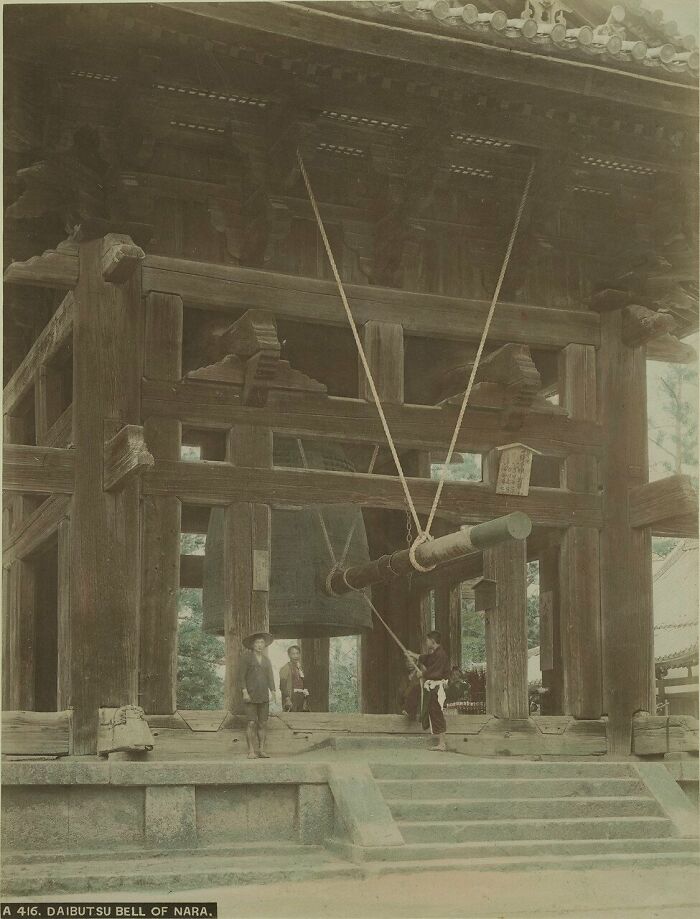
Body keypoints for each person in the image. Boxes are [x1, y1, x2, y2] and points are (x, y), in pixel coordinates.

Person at [405, 630, 450, 752]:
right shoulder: (436, 653)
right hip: (432, 687)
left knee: (437, 713)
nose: (426, 642)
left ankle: (442, 743)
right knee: (433, 712)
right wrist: (412, 654)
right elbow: (428, 659)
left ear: (433, 641)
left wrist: (423, 673)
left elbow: (436, 671)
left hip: (437, 688)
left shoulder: (441, 655)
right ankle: (441, 743)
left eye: (427, 640)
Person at [239, 631, 277, 759]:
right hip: (250, 695)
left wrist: (273, 691)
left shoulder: (266, 660)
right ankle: (251, 751)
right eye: (257, 642)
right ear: (252, 645)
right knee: (251, 723)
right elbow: (241, 676)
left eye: (262, 642)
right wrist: (244, 691)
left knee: (262, 723)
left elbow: (270, 677)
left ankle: (261, 750)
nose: (260, 645)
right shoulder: (246, 657)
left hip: (263, 696)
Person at [279, 645, 310, 712]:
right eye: (293, 654)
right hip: (291, 697)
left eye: (297, 653)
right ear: (289, 655)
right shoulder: (285, 668)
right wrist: (287, 699)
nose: (296, 656)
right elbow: (282, 686)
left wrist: (305, 697)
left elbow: (303, 683)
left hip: (301, 697)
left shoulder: (300, 668)